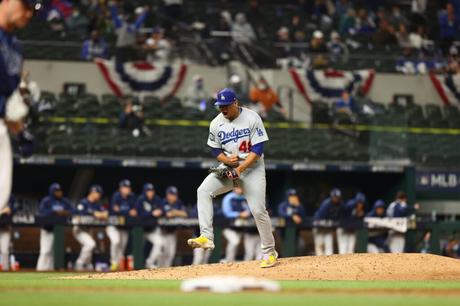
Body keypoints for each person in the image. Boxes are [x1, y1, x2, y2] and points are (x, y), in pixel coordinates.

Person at [187, 88, 278, 268]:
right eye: (220, 106)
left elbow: (258, 151)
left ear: (235, 103)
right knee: (203, 191)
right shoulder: (216, 123)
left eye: (226, 105)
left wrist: (241, 168)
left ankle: (269, 252)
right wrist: (226, 161)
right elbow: (215, 150)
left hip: (252, 168)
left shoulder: (253, 118)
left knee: (258, 210)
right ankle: (207, 237)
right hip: (230, 166)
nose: (223, 109)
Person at [0, 0, 35, 214]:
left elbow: (9, 100)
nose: (29, 13)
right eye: (25, 5)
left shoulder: (16, 47)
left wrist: (21, 131)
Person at [36, 183, 72, 271]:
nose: (59, 192)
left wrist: (65, 212)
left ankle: (50, 273)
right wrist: (55, 212)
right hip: (47, 230)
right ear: (52, 191)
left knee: (53, 253)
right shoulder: (47, 200)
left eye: (59, 190)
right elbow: (41, 212)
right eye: (57, 191)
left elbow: (72, 210)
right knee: (45, 251)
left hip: (59, 230)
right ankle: (40, 270)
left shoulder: (64, 201)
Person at [221, 186, 261, 262]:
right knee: (235, 241)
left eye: (241, 187)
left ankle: (244, 262)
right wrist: (239, 214)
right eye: (238, 187)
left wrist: (248, 214)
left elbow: (249, 211)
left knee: (249, 244)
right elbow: (226, 213)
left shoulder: (244, 198)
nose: (240, 189)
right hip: (228, 227)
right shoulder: (229, 198)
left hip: (242, 227)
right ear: (233, 188)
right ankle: (229, 260)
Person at [72, 185, 107, 271]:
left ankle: (87, 266)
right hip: (79, 229)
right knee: (90, 244)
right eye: (98, 193)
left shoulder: (97, 204)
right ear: (92, 192)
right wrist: (94, 214)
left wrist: (97, 214)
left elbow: (105, 214)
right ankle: (79, 263)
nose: (99, 195)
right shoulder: (83, 202)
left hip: (89, 229)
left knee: (88, 248)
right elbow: (79, 215)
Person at [106, 179, 137, 271]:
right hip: (113, 225)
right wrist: (128, 212)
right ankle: (113, 263)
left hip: (124, 227)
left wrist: (123, 211)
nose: (127, 189)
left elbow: (134, 212)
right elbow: (116, 209)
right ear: (120, 188)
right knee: (116, 241)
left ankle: (118, 266)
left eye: (128, 187)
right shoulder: (116, 196)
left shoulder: (132, 197)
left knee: (122, 247)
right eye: (125, 187)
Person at [155, 186, 187, 267]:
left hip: (172, 232)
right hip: (162, 232)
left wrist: (174, 212)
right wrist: (174, 213)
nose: (174, 196)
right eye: (172, 194)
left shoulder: (178, 203)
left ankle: (167, 271)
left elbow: (185, 214)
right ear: (168, 195)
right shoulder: (162, 202)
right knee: (163, 252)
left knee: (171, 253)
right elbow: (165, 214)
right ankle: (159, 270)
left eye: (175, 194)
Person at [134, 183, 164, 269]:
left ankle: (149, 262)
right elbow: (139, 214)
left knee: (159, 243)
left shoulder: (157, 199)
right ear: (145, 191)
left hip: (151, 230)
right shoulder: (140, 200)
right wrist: (152, 213)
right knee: (138, 249)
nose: (150, 192)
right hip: (140, 230)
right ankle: (137, 267)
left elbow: (163, 210)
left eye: (151, 191)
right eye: (148, 191)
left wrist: (160, 212)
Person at [313, 188, 344, 256]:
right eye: (334, 197)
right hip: (319, 227)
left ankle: (329, 264)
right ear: (331, 197)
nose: (336, 199)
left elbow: (340, 217)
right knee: (319, 246)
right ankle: (318, 264)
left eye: (337, 197)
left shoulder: (340, 205)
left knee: (329, 246)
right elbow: (318, 218)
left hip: (328, 228)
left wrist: (333, 223)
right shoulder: (326, 204)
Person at [0, 195, 16, 271]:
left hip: (5, 229)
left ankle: (5, 270)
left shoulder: (9, 196)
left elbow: (11, 210)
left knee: (5, 250)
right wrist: (2, 211)